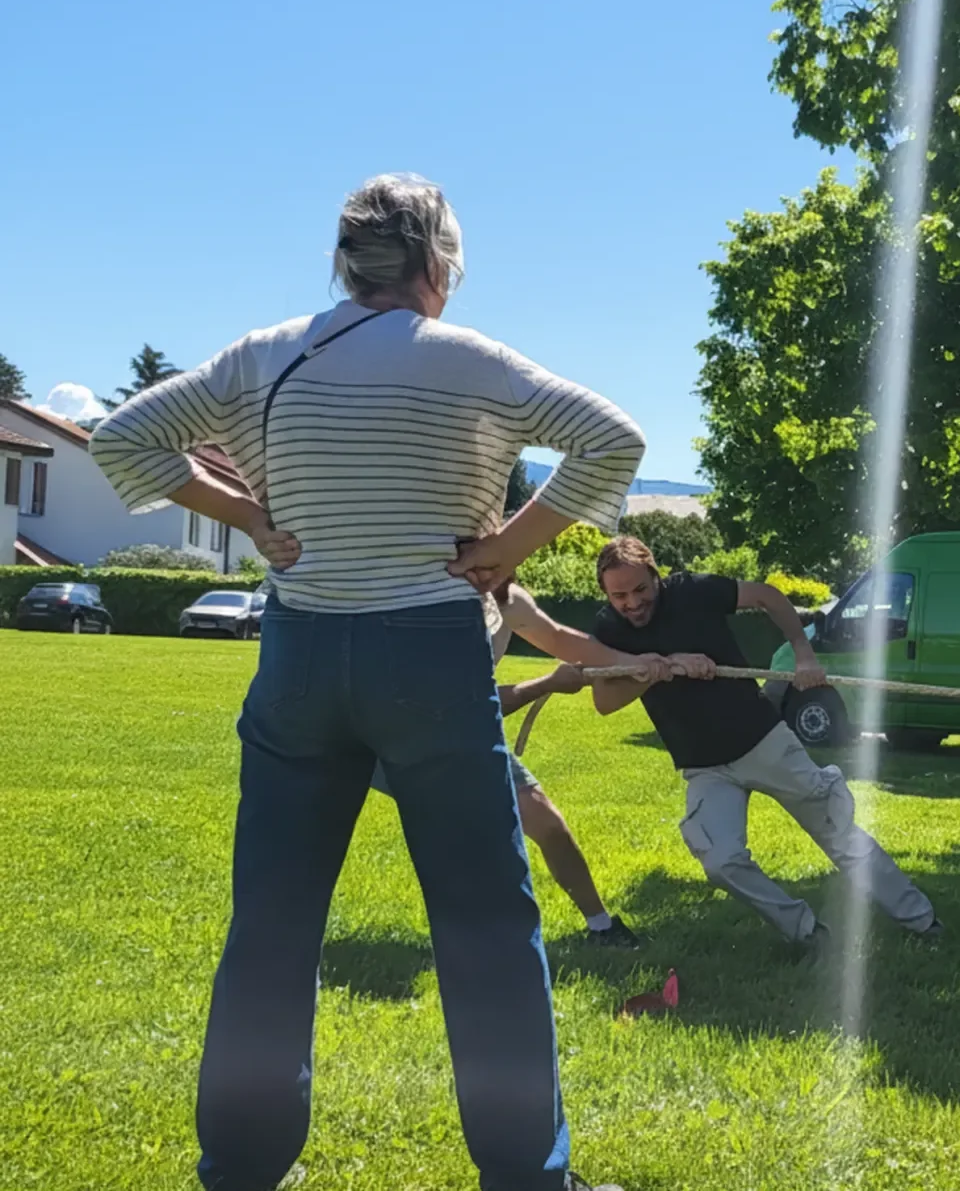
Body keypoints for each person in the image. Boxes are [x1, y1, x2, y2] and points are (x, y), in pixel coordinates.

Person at [88, 173, 642, 1191]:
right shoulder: (471, 360)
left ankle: (242, 1168)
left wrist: (250, 517)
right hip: (430, 655)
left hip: (300, 653)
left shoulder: (263, 354)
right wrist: (507, 545)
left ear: (345, 261)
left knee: (273, 922)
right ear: (437, 263)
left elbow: (120, 436)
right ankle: (528, 1174)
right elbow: (615, 440)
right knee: (484, 924)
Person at [588, 536, 942, 952]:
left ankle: (922, 922)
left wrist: (804, 654)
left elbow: (768, 597)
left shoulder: (692, 592)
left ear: (656, 577)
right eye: (619, 595)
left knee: (836, 832)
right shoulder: (609, 630)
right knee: (720, 861)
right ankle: (808, 933)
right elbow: (604, 701)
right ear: (606, 595)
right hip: (704, 767)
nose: (632, 603)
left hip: (763, 741)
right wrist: (658, 668)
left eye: (640, 589)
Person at [372, 582, 641, 947]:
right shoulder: (430, 602)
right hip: (376, 736)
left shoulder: (510, 600)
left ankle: (601, 928)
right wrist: (545, 683)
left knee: (545, 820)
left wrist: (642, 663)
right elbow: (456, 705)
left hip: (463, 735)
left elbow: (563, 639)